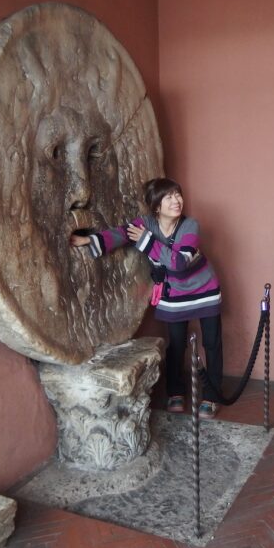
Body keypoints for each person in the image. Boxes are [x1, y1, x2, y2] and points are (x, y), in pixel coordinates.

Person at [71, 177, 224, 418]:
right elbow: (120, 234)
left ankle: (212, 395)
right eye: (169, 197)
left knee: (212, 344)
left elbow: (179, 263)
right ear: (156, 206)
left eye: (178, 195)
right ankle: (175, 391)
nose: (177, 200)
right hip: (174, 295)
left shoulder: (190, 226)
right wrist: (90, 240)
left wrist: (145, 241)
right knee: (176, 345)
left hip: (204, 290)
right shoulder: (145, 224)